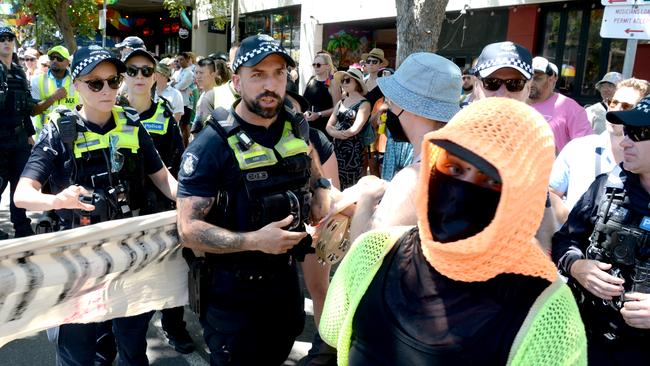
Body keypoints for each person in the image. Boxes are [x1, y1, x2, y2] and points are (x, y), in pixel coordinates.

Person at [320, 97, 587, 365]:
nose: (461, 190)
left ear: (525, 195)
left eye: (491, 179)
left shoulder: (551, 315)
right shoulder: (372, 252)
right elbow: (333, 337)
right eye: (455, 167)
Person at [14, 45, 177, 366]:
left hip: (129, 259)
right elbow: (22, 193)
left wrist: (195, 202)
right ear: (76, 85)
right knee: (79, 353)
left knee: (132, 349)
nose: (107, 89)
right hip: (79, 265)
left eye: (113, 81)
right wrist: (56, 200)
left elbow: (163, 179)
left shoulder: (132, 124)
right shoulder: (58, 131)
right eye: (95, 83)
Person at [176, 34, 330, 365]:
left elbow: (314, 170)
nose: (270, 84)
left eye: (278, 73)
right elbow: (188, 230)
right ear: (236, 81)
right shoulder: (210, 145)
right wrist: (253, 241)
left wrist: (323, 190)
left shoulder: (296, 125)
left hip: (285, 291)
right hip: (233, 301)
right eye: (257, 75)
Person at [552, 95, 650, 365]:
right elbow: (565, 241)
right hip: (587, 341)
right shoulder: (606, 186)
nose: (624, 141)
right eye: (627, 132)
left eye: (640, 133)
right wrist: (576, 266)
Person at [120, 47, 191, 354]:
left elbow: (179, 159)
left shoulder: (164, 113)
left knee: (171, 272)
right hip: (123, 214)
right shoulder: (110, 108)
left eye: (146, 71)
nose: (139, 76)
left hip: (162, 208)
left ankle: (174, 326)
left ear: (155, 77)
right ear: (123, 75)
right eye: (132, 70)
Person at [348, 52, 461, 242]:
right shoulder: (458, 161)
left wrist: (367, 196)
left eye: (392, 101)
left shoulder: (414, 178)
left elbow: (363, 256)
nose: (388, 108)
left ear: (410, 108)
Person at [472, 41, 558, 252]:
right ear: (476, 84)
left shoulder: (535, 141)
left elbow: (543, 215)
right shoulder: (450, 136)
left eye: (514, 84)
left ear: (528, 88)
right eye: (492, 83)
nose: (503, 93)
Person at [550, 78, 649, 220]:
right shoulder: (578, 148)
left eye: (627, 106)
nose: (617, 109)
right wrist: (573, 224)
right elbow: (551, 192)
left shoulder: (643, 166)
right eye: (614, 103)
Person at [0, 25, 36, 240]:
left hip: (19, 138)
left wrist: (30, 134)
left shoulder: (19, 71)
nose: (6, 42)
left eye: (9, 38)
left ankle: (22, 228)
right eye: (1, 38)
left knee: (20, 185)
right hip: (0, 140)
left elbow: (26, 106)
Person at [527, 56, 593, 153]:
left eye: (537, 79)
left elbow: (586, 147)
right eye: (528, 78)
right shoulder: (515, 103)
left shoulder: (570, 108)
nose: (531, 83)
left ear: (551, 79)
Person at [326, 68, 371, 190]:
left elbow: (355, 129)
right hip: (336, 148)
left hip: (353, 151)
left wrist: (337, 134)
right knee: (335, 182)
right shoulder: (341, 102)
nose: (343, 83)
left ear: (357, 82)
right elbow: (328, 125)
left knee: (351, 186)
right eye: (342, 81)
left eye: (347, 80)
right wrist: (336, 134)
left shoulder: (364, 104)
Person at [31, 45, 78, 139]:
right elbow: (33, 111)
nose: (55, 61)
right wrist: (53, 98)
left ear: (67, 62)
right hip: (45, 136)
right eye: (52, 58)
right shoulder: (36, 81)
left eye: (59, 58)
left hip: (71, 135)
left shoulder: (77, 81)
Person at [303, 52, 340, 139]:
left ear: (327, 66)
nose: (315, 67)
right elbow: (303, 101)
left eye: (318, 65)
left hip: (323, 127)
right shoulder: (311, 79)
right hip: (307, 125)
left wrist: (319, 114)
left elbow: (337, 108)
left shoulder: (332, 82)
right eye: (314, 64)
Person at [172, 52, 195, 146]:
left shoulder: (189, 73)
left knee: (184, 125)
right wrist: (174, 84)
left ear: (187, 59)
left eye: (182, 59)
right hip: (178, 102)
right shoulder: (178, 71)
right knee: (178, 125)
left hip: (186, 102)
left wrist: (175, 84)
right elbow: (171, 83)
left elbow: (180, 86)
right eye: (178, 60)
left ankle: (186, 146)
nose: (179, 62)